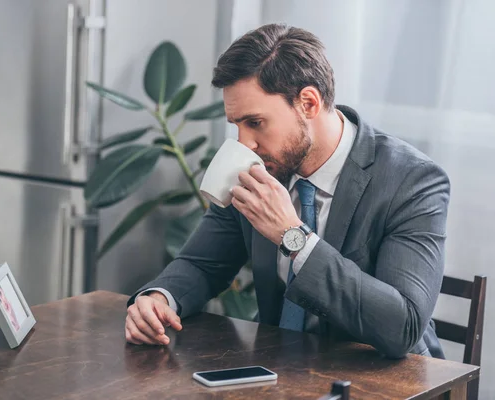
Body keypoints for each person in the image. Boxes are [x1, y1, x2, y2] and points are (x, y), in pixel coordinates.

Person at [125, 23, 449, 359]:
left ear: (308, 103)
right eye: (236, 125)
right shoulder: (258, 167)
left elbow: (404, 327)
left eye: (255, 123)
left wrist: (294, 237)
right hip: (283, 372)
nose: (244, 143)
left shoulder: (412, 181)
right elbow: (202, 264)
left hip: (386, 379)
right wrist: (159, 299)